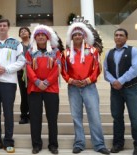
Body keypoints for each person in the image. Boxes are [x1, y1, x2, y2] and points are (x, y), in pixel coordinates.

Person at [60, 17, 110, 154]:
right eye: (74, 34)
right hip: (73, 88)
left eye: (79, 34)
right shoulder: (66, 53)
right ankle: (79, 143)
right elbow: (63, 70)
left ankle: (99, 144)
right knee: (76, 117)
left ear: (84, 36)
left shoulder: (93, 51)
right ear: (71, 37)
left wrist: (89, 80)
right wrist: (70, 80)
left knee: (94, 115)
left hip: (89, 87)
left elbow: (97, 68)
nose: (77, 36)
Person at [0, 18, 25, 153]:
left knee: (8, 113)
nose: (2, 27)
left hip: (9, 82)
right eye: (0, 25)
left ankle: (8, 141)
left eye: (4, 25)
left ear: (8, 27)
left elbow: (21, 61)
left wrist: (6, 69)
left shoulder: (16, 43)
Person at [103, 28, 137, 155]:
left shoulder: (134, 50)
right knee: (117, 117)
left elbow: (135, 69)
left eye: (121, 35)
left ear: (126, 38)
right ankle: (118, 144)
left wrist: (120, 80)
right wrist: (114, 82)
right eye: (116, 35)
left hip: (131, 88)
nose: (118, 37)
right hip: (115, 90)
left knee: (135, 117)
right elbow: (105, 71)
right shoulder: (109, 53)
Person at [26, 25, 60, 154]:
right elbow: (28, 69)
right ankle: (36, 145)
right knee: (35, 118)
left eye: (43, 35)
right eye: (38, 35)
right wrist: (36, 81)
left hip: (51, 89)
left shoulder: (56, 51)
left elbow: (57, 69)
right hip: (34, 89)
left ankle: (53, 145)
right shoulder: (30, 52)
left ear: (47, 37)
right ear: (35, 38)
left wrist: (46, 82)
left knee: (52, 118)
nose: (40, 36)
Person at [17, 26, 31, 124]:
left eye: (25, 31)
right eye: (21, 32)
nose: (23, 32)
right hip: (21, 73)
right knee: (24, 94)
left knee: (33, 94)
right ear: (19, 35)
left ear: (29, 33)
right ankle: (24, 115)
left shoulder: (34, 44)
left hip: (34, 73)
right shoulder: (18, 46)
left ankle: (32, 114)